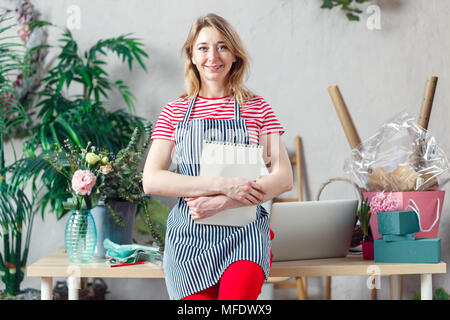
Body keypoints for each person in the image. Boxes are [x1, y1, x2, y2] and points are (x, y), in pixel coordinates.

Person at [143, 13, 293, 300]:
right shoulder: (174, 111)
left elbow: (284, 178)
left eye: (222, 46)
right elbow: (151, 180)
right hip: (189, 239)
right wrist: (223, 186)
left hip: (244, 234)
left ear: (235, 55)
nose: (213, 56)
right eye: (203, 47)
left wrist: (230, 200)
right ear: (192, 55)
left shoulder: (257, 108)